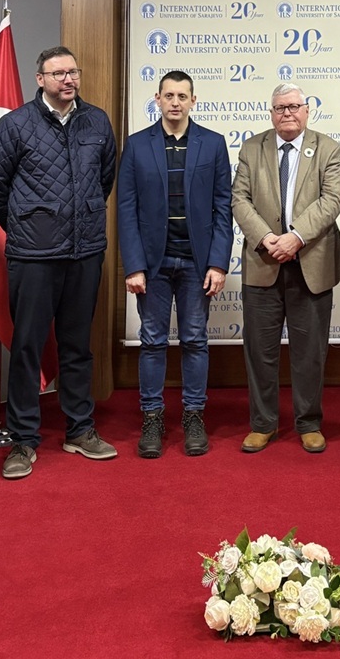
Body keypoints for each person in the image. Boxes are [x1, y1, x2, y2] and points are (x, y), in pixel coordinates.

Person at [0, 46, 117, 479]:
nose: (67, 80)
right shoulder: (15, 125)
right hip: (33, 257)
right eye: (57, 73)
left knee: (78, 346)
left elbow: (105, 180)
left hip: (85, 253)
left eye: (73, 72)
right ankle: (23, 441)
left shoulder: (97, 121)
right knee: (27, 348)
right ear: (40, 79)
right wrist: (29, 226)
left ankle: (79, 430)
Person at [117, 70, 232, 458]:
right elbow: (127, 210)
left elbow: (222, 209)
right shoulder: (136, 146)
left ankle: (193, 416)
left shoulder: (213, 145)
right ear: (158, 99)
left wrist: (218, 263)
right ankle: (152, 417)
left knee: (195, 340)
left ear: (193, 101)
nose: (176, 102)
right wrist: (133, 265)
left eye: (183, 96)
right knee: (151, 342)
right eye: (169, 95)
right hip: (152, 264)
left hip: (197, 263)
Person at [231, 83, 340, 453]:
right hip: (263, 260)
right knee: (260, 350)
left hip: (310, 263)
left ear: (307, 109)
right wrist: (267, 238)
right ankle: (262, 423)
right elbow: (239, 198)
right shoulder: (253, 147)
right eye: (280, 108)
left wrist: (296, 237)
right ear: (271, 112)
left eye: (294, 106)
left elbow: (332, 200)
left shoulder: (327, 147)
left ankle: (308, 422)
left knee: (309, 351)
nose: (287, 113)